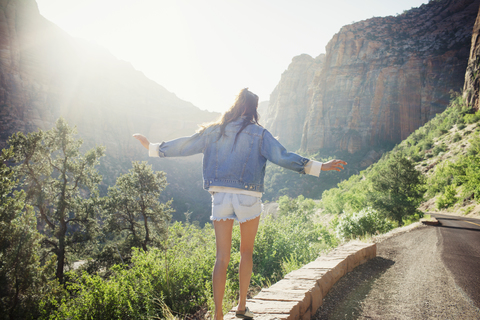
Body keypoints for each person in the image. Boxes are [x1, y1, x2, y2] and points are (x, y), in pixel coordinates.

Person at [133, 88, 347, 320]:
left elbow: (185, 145)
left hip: (221, 196)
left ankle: (217, 314)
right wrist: (320, 165)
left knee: (221, 257)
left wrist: (153, 148)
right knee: (246, 252)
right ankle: (242, 306)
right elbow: (283, 157)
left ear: (236, 105)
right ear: (253, 109)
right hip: (248, 196)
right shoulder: (260, 134)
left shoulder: (213, 131)